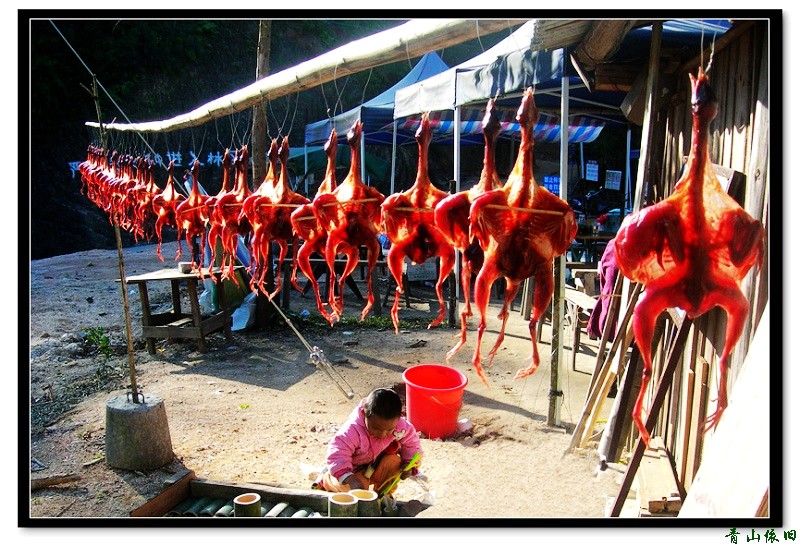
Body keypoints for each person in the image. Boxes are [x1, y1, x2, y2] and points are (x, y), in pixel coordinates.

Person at [314, 387, 422, 494]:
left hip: (375, 464)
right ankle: (326, 480)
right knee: (352, 488)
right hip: (352, 470)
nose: (382, 434)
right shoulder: (352, 430)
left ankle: (382, 496)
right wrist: (350, 479)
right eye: (376, 428)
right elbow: (337, 455)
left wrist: (410, 466)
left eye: (389, 430)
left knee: (395, 464)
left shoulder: (401, 427)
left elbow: (412, 444)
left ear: (399, 418)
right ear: (365, 412)